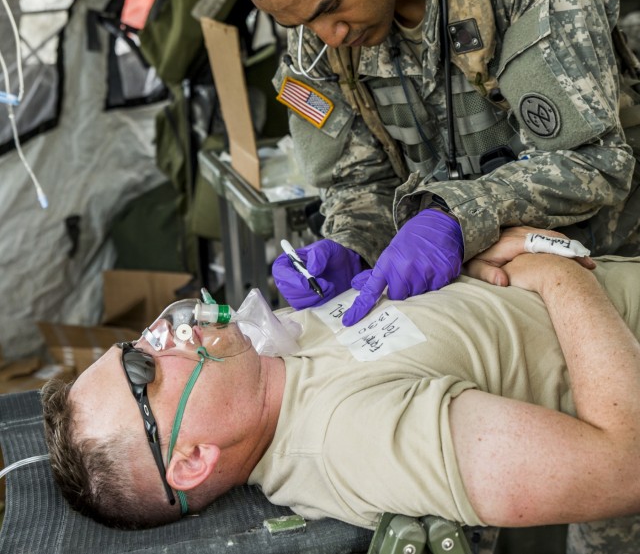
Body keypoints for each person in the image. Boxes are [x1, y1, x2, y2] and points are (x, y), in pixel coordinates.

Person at [41, 227, 640, 554]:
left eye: (131, 344)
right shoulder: (351, 440)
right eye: (145, 369)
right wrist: (552, 273)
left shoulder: (266, 360)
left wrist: (370, 260)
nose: (163, 332)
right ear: (192, 459)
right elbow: (624, 467)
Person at [230, 0, 640, 327]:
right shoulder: (320, 41)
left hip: (607, 270)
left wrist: (456, 217)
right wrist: (352, 244)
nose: (331, 36)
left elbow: (594, 160)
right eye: (302, 23)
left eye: (330, 6)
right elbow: (359, 184)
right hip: (475, 290)